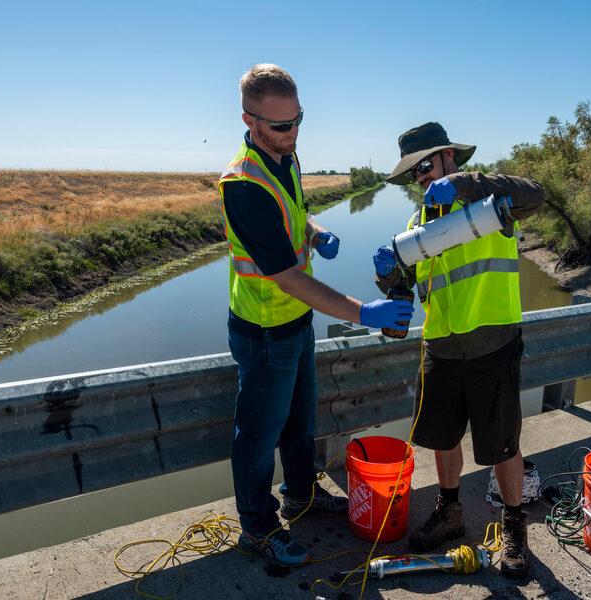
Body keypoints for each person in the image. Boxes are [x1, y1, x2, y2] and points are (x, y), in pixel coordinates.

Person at [219, 64, 414, 568]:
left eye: (298, 119)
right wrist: (364, 312)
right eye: (281, 125)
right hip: (264, 329)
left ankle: (301, 495)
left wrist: (317, 231)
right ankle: (257, 527)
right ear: (249, 120)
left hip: (295, 322)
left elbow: (296, 212)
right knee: (259, 433)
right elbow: (287, 277)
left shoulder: (285, 155)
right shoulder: (243, 184)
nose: (293, 132)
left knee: (300, 419)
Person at [373, 122, 545, 576]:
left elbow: (535, 194)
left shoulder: (487, 203)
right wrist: (387, 274)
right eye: (414, 172)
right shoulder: (416, 225)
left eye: (424, 165)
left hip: (493, 342)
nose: (420, 177)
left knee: (502, 444)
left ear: (448, 156)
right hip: (441, 346)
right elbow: (402, 286)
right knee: (442, 439)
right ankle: (449, 513)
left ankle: (514, 526)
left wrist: (467, 184)